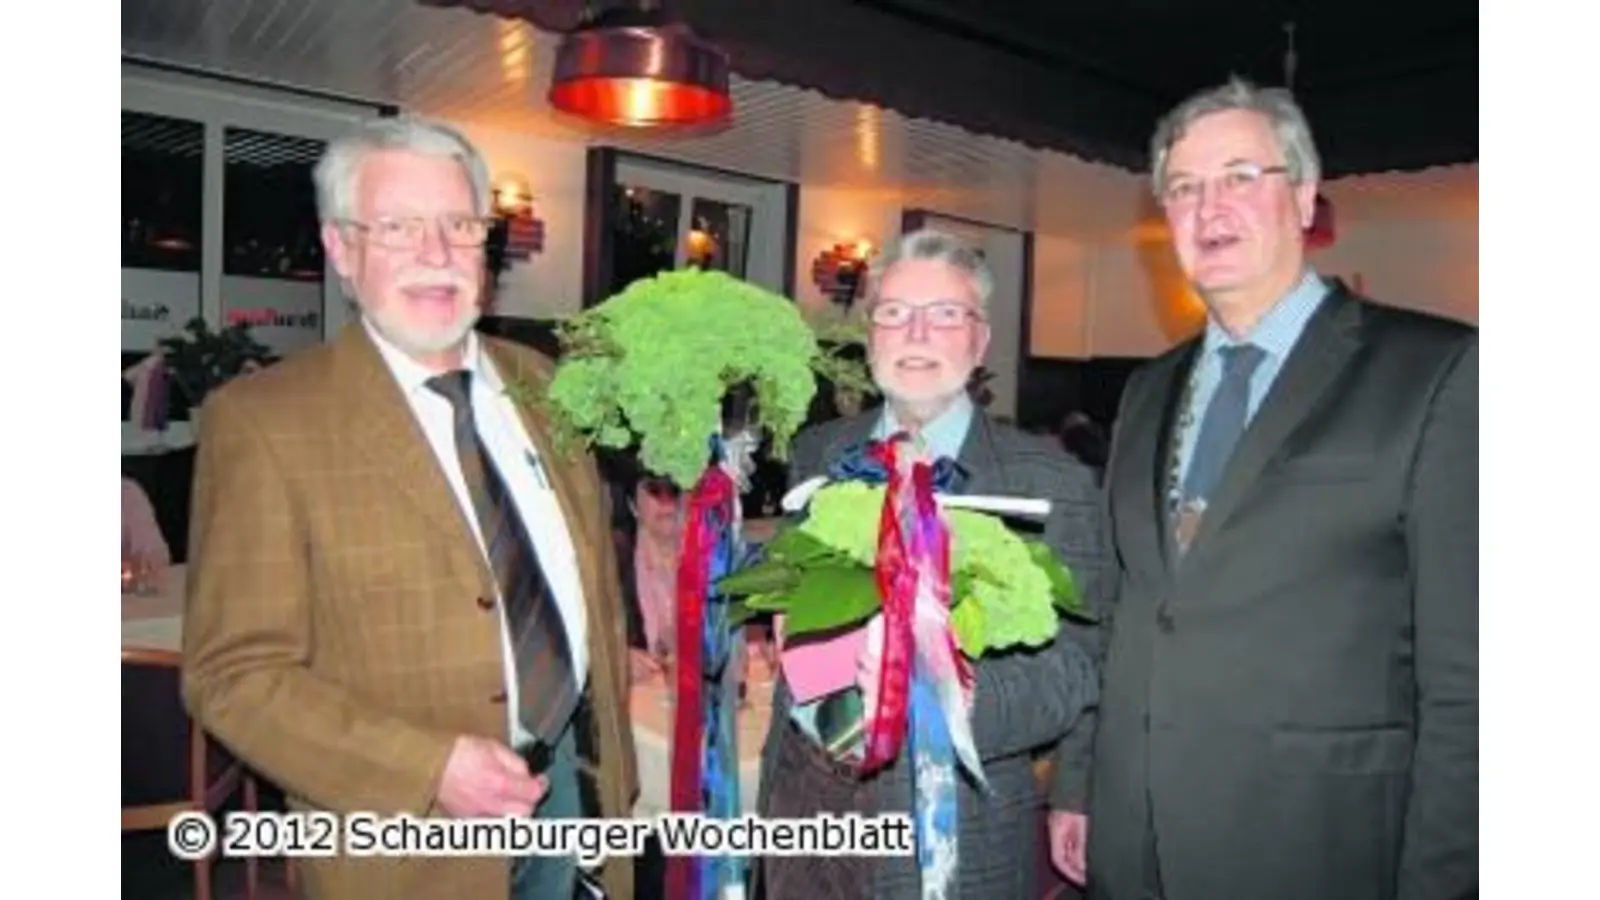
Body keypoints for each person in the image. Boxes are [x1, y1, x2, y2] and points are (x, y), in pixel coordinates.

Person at [181, 117, 637, 900]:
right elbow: (233, 676)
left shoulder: (548, 387)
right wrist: (430, 771)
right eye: (397, 227)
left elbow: (587, 590)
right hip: (409, 850)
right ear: (341, 250)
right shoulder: (262, 423)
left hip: (574, 791)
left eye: (459, 225)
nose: (436, 253)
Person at [1047, 77, 1477, 900]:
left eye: (1242, 176)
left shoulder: (1438, 373)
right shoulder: (1146, 389)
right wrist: (1079, 782)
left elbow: (1474, 685)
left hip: (1319, 847)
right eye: (1184, 188)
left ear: (1306, 196)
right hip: (1135, 846)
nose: (1211, 207)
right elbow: (1125, 609)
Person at [757, 228, 1108, 900]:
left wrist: (955, 694)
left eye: (944, 314)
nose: (915, 333)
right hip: (804, 809)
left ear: (979, 342)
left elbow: (1082, 665)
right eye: (893, 312)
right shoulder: (817, 452)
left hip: (957, 828)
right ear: (871, 335)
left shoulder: (1052, 482)